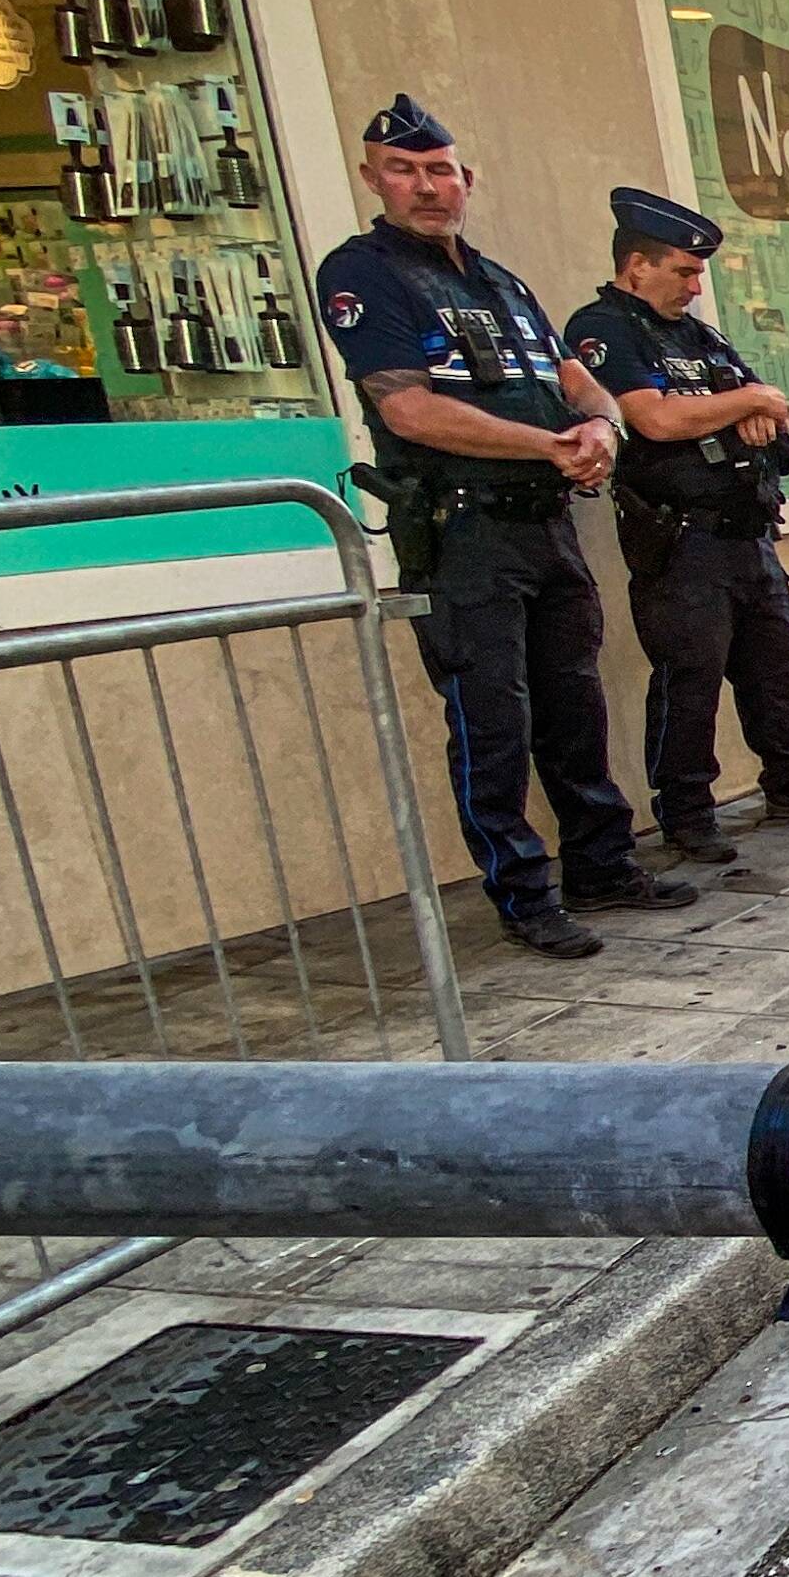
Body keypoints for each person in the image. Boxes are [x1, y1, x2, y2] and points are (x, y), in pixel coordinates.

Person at [319, 96, 693, 960]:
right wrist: (551, 445)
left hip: (545, 527)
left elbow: (575, 380)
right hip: (465, 535)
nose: (426, 186)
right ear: (373, 178)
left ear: (465, 180)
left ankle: (600, 864)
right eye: (405, 170)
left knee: (574, 705)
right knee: (490, 721)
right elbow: (409, 410)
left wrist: (601, 427)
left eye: (440, 169)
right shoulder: (365, 273)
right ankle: (523, 893)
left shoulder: (498, 279)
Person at [566, 187, 789, 864]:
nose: (694, 283)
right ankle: (686, 811)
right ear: (636, 264)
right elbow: (654, 418)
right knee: (690, 679)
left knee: (774, 668)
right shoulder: (604, 328)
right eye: (682, 269)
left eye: (697, 271)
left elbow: (776, 408)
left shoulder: (698, 335)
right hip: (682, 542)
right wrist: (745, 402)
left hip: (746, 531)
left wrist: (750, 404)